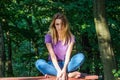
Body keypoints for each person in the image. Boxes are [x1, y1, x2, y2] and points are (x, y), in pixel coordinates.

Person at [35, 13, 85, 80]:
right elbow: (53, 56)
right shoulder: (48, 37)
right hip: (53, 64)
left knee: (80, 56)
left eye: (62, 24)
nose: (60, 27)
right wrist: (58, 70)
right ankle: (68, 74)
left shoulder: (71, 37)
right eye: (57, 24)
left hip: (66, 64)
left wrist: (64, 69)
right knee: (38, 63)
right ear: (54, 25)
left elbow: (68, 56)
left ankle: (57, 74)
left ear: (65, 24)